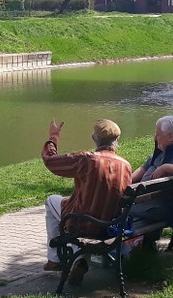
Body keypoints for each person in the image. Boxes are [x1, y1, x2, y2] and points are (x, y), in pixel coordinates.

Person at [41, 118, 132, 284]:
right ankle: (80, 258)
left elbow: (51, 161)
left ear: (94, 138)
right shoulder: (125, 166)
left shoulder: (86, 159)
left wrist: (53, 137)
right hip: (110, 227)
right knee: (86, 208)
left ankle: (54, 260)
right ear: (117, 140)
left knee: (51, 201)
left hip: (82, 223)